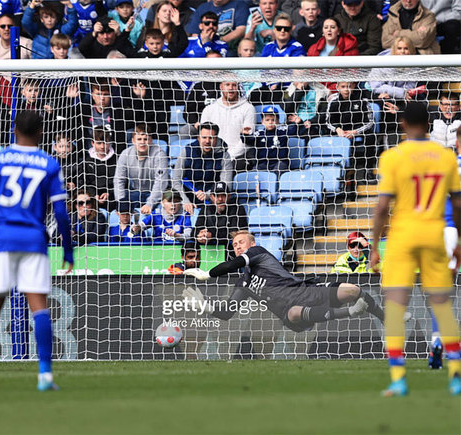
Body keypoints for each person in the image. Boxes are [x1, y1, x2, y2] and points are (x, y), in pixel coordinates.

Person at [0, 110, 73, 391]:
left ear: (14, 130)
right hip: (34, 241)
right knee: (39, 307)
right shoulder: (49, 163)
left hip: (2, 239)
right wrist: (68, 249)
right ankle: (45, 376)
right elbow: (61, 212)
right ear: (41, 132)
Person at [370, 102, 461, 397]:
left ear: (403, 124)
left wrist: (374, 246)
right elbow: (458, 203)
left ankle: (398, 379)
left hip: (404, 236)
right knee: (442, 304)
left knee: (396, 305)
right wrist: (458, 240)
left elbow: (383, 206)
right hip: (436, 232)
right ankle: (456, 377)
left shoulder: (393, 156)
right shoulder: (445, 156)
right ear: (429, 123)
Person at [183, 230, 384, 332]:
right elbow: (227, 313)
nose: (237, 246)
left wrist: (207, 274)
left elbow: (230, 265)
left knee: (352, 290)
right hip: (289, 313)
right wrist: (206, 307)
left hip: (304, 292)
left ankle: (386, 318)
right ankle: (351, 311)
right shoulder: (243, 284)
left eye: (241, 242)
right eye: (234, 245)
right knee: (294, 312)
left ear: (252, 244)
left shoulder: (258, 253)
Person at [172, 123, 232, 211]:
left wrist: (207, 195)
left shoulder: (224, 155)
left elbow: (227, 185)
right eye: (204, 137)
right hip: (187, 197)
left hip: (212, 199)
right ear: (198, 138)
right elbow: (176, 181)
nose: (207, 141)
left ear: (216, 139)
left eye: (211, 138)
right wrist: (185, 201)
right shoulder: (187, 151)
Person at [198, 82, 255, 172]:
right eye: (227, 85)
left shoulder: (248, 108)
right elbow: (203, 138)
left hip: (238, 157)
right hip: (214, 156)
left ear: (238, 87)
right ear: (221, 87)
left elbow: (247, 141)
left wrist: (229, 156)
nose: (230, 88)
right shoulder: (209, 109)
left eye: (234, 85)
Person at [114, 124, 168, 214]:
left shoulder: (159, 154)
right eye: (139, 139)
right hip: (135, 193)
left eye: (145, 139)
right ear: (133, 141)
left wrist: (149, 204)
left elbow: (161, 182)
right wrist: (121, 204)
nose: (142, 142)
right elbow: (119, 180)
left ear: (151, 140)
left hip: (157, 194)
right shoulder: (125, 154)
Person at [192, 181, 248, 258]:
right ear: (211, 197)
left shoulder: (238, 209)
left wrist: (211, 235)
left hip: (231, 253)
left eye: (223, 195)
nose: (220, 199)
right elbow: (194, 232)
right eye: (217, 195)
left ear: (228, 196)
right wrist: (201, 236)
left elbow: (235, 234)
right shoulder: (205, 209)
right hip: (208, 254)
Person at [186, 0, 250, 56]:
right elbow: (195, 34)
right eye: (207, 23)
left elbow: (241, 30)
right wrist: (202, 43)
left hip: (229, 48)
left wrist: (218, 41)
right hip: (202, 44)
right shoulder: (202, 8)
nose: (210, 26)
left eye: (214, 24)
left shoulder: (239, 4)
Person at [83, 127, 118, 210]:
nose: (102, 146)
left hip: (114, 198)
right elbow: (85, 182)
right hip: (92, 200)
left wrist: (109, 193)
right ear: (92, 143)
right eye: (99, 143)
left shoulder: (117, 159)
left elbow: (123, 182)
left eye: (105, 143)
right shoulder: (87, 161)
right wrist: (94, 195)